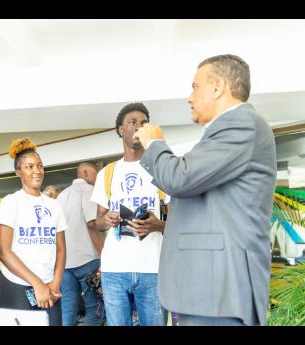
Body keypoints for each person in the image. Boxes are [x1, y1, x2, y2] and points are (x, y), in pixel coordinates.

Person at [134, 54, 277, 326]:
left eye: (195, 86)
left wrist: (154, 144)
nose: (190, 97)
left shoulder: (241, 124)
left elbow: (180, 178)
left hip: (218, 291)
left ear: (218, 87)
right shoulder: (224, 132)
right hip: (209, 291)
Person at [91, 102, 169, 326]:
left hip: (153, 268)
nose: (138, 127)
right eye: (132, 122)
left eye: (144, 123)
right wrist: (106, 219)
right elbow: (98, 223)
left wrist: (157, 226)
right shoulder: (108, 173)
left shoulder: (161, 168)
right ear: (120, 130)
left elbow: (178, 221)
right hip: (114, 269)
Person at [0, 137, 67, 326]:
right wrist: (37, 284)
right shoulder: (11, 202)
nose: (37, 171)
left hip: (49, 285)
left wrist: (55, 282)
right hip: (16, 285)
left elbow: (60, 248)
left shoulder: (54, 205)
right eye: (29, 166)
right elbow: (4, 251)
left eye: (39, 166)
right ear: (18, 172)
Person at [57, 161, 105, 326]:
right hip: (88, 260)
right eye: (95, 174)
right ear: (84, 173)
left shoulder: (61, 195)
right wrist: (104, 254)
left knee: (68, 307)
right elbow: (92, 224)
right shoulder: (89, 190)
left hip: (64, 263)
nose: (97, 179)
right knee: (96, 307)